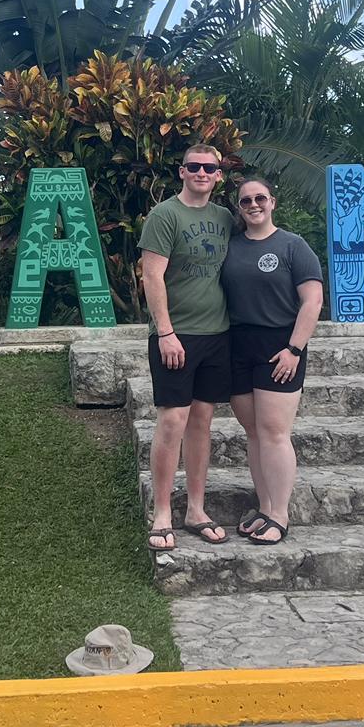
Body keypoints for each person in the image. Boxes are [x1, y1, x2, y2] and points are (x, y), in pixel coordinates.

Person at [137, 143, 236, 551]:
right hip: (176, 335)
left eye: (209, 168)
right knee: (172, 420)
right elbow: (152, 276)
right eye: (194, 166)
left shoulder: (225, 218)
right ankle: (162, 512)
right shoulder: (164, 216)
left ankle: (196, 509)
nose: (201, 173)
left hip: (217, 334)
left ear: (218, 175)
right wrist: (165, 332)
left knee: (201, 423)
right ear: (182, 172)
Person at [221, 176, 324, 546]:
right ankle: (264, 508)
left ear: (272, 202)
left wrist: (294, 349)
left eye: (260, 198)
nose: (253, 205)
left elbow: (312, 301)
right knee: (253, 433)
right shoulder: (230, 247)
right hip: (237, 345)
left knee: (275, 433)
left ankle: (280, 514)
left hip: (279, 346)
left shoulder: (293, 246)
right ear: (239, 208)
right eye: (245, 200)